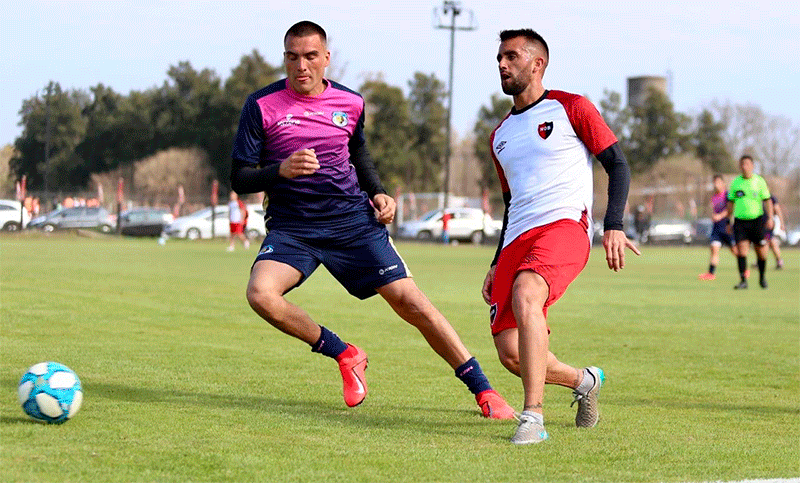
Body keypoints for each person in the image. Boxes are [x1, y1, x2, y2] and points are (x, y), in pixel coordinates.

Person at [229, 21, 514, 419]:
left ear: (326, 58)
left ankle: (484, 390)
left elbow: (358, 153)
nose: (301, 66)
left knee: (413, 304)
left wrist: (378, 191)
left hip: (354, 224)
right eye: (292, 57)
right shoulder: (260, 105)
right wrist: (280, 170)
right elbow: (239, 177)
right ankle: (345, 353)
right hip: (294, 228)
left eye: (311, 56)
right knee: (260, 294)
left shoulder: (350, 103)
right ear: (285, 59)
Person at [483, 29, 640, 444]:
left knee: (527, 291)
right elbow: (509, 202)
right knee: (511, 354)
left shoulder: (572, 107)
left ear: (537, 64)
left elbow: (618, 165)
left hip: (564, 227)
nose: (501, 64)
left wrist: (614, 225)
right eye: (499, 57)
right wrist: (497, 259)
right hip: (516, 239)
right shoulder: (498, 136)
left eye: (512, 56)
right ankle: (583, 381)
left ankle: (532, 416)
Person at [726, 155, 773, 289]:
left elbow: (767, 200)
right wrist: (728, 222)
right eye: (742, 164)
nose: (744, 166)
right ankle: (743, 281)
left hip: (757, 221)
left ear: (752, 166)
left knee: (761, 252)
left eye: (746, 164)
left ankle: (762, 278)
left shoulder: (759, 181)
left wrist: (770, 217)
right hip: (740, 222)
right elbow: (730, 204)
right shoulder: (736, 183)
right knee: (741, 252)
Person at [698, 175, 740, 280]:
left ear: (723, 183)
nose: (715, 184)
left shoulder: (727, 195)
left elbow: (730, 209)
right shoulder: (714, 196)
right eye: (714, 182)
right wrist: (713, 215)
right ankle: (711, 273)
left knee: (734, 250)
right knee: (714, 249)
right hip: (716, 227)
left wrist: (720, 216)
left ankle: (744, 269)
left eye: (718, 182)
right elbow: (714, 210)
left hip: (726, 226)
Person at [763, 195, 785, 270]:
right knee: (767, 241)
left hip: (768, 224)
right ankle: (778, 261)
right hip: (760, 224)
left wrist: (782, 223)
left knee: (768, 241)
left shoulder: (770, 198)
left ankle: (778, 261)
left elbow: (777, 210)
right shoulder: (758, 196)